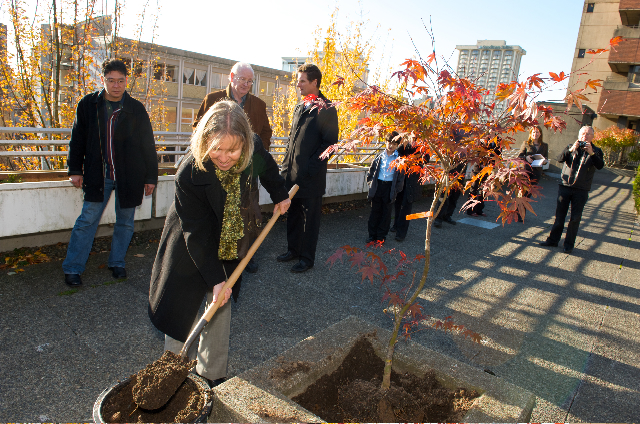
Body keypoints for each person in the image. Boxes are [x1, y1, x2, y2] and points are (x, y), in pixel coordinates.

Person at [147, 100, 291, 387]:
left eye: (233, 151)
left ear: (245, 144)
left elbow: (268, 169)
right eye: (217, 149)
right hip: (191, 243)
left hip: (230, 237)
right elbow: (196, 232)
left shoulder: (253, 148)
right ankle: (171, 374)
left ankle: (211, 374)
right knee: (182, 307)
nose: (225, 157)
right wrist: (213, 279)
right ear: (204, 140)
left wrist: (280, 195)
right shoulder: (190, 171)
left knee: (220, 304)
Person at [62, 59, 158, 287]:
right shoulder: (88, 105)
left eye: (121, 81)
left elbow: (148, 144)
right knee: (87, 221)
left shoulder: (136, 108)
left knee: (125, 222)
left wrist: (150, 177)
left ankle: (117, 263)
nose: (116, 86)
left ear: (126, 81)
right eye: (111, 81)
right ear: (103, 80)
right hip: (99, 174)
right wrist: (75, 169)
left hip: (129, 175)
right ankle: (73, 268)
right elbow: (77, 140)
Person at [193, 62, 272, 273]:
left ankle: (247, 256)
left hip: (247, 169)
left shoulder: (258, 104)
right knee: (217, 209)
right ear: (231, 77)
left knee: (250, 211)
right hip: (218, 166)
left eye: (249, 81)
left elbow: (266, 133)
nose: (246, 84)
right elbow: (198, 129)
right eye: (242, 79)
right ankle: (216, 253)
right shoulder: (212, 99)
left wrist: (255, 154)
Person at [278, 63, 339, 273]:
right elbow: (291, 141)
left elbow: (330, 145)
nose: (298, 84)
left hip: (311, 178)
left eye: (302, 80)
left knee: (310, 220)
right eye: (298, 80)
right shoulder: (299, 106)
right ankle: (293, 250)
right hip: (292, 175)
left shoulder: (327, 109)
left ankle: (306, 258)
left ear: (314, 82)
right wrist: (284, 169)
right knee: (293, 215)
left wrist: (309, 168)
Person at [540, 125, 604, 254]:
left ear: (592, 136)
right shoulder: (571, 146)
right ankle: (553, 240)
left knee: (575, 218)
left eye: (588, 134)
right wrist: (570, 150)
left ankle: (568, 245)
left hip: (582, 189)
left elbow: (600, 166)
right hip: (565, 186)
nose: (585, 136)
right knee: (559, 217)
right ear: (579, 134)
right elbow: (559, 159)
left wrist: (591, 153)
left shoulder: (596, 150)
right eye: (583, 133)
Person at [367, 132, 405, 243]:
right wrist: (371, 183)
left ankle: (381, 237)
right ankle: (372, 235)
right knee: (375, 212)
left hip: (390, 188)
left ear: (397, 144)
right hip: (378, 186)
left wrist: (397, 190)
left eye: (394, 143)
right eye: (389, 142)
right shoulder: (379, 156)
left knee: (386, 214)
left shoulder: (399, 158)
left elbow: (401, 177)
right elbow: (371, 171)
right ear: (385, 142)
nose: (391, 145)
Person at [518, 125, 549, 192]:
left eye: (537, 132)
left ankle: (525, 202)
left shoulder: (545, 145)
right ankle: (522, 202)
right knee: (523, 191)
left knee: (531, 191)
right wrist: (526, 157)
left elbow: (546, 158)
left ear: (540, 133)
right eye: (534, 132)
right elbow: (519, 157)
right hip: (527, 170)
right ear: (531, 133)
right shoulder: (526, 143)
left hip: (537, 172)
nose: (535, 134)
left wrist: (545, 161)